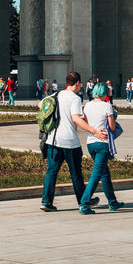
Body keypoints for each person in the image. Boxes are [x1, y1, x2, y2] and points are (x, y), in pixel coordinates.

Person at [41, 71, 107, 212]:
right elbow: (76, 118)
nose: (80, 86)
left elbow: (40, 105)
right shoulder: (75, 98)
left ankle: (46, 202)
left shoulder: (55, 95)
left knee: (51, 172)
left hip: (53, 140)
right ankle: (83, 201)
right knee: (76, 173)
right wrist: (94, 131)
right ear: (77, 83)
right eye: (80, 84)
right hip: (70, 141)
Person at [78, 83, 124, 213]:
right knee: (96, 175)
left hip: (90, 143)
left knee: (104, 173)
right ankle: (84, 203)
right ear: (105, 93)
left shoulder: (87, 105)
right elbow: (113, 127)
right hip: (102, 143)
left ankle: (113, 202)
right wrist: (114, 114)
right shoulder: (107, 106)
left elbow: (87, 123)